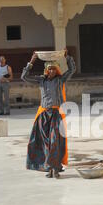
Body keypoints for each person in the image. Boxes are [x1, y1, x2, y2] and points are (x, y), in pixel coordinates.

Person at [21, 50, 76, 179]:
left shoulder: (60, 80)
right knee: (45, 143)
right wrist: (32, 61)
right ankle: (49, 167)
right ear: (46, 70)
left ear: (57, 70)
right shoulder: (41, 81)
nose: (51, 71)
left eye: (54, 69)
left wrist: (66, 57)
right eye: (49, 69)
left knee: (55, 141)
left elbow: (72, 69)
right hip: (44, 114)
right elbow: (24, 77)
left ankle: (55, 168)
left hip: (56, 114)